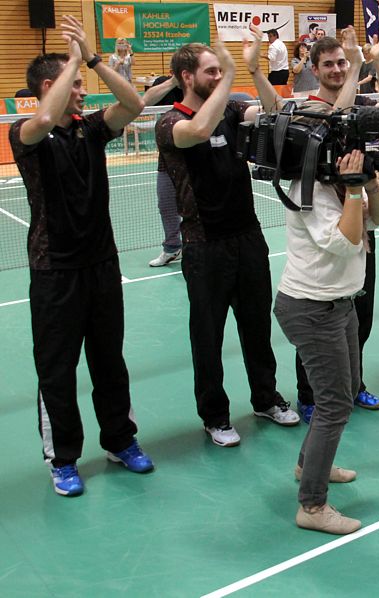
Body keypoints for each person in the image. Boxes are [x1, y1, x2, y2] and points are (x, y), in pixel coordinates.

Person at [11, 16, 153, 497]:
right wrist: (72, 59)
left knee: (109, 360)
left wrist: (92, 58)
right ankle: (63, 459)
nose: (83, 92)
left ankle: (120, 440)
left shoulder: (91, 129)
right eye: (76, 85)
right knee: (57, 367)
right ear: (52, 85)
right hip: (54, 271)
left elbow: (133, 104)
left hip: (102, 263)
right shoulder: (25, 133)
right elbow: (45, 119)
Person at [269, 30, 379, 536]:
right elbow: (342, 242)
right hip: (310, 304)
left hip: (341, 302)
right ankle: (312, 505)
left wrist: (368, 185)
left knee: (338, 394)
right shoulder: (308, 186)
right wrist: (356, 193)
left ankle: (308, 465)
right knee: (335, 401)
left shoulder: (341, 182)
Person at [155, 28, 299, 448]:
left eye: (221, 70)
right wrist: (231, 72)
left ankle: (265, 398)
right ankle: (215, 416)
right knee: (208, 336)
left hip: (247, 237)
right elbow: (198, 131)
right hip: (204, 244)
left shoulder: (234, 111)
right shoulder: (171, 122)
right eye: (211, 71)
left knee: (256, 326)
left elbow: (277, 111)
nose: (219, 77)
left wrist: (253, 70)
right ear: (186, 76)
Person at [280, 26, 379, 423]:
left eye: (341, 63)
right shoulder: (308, 107)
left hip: (360, 213)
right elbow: (333, 119)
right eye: (328, 63)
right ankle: (309, 393)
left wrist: (376, 61)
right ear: (315, 69)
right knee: (320, 328)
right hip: (327, 220)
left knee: (357, 318)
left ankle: (356, 383)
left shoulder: (358, 100)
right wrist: (358, 63)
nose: (336, 68)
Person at [142, 75, 184, 267]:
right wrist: (173, 82)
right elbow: (144, 102)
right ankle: (172, 247)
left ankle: (195, 245)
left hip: (196, 153)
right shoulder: (164, 82)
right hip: (168, 154)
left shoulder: (200, 83)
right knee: (166, 203)